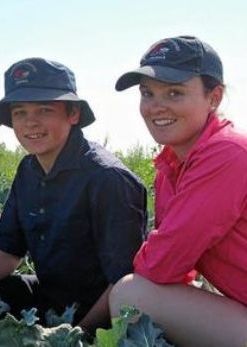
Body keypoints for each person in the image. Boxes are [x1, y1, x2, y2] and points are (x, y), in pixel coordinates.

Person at [0, 57, 147, 331]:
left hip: (102, 311)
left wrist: (78, 335)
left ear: (73, 114)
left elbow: (124, 283)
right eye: (20, 112)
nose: (30, 123)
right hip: (50, 299)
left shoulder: (107, 179)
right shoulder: (29, 169)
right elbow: (9, 250)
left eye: (44, 110)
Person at [108, 36, 247, 347]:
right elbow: (174, 272)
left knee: (130, 295)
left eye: (175, 92)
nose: (157, 106)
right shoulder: (171, 167)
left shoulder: (227, 153)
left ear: (214, 98)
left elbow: (162, 263)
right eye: (148, 93)